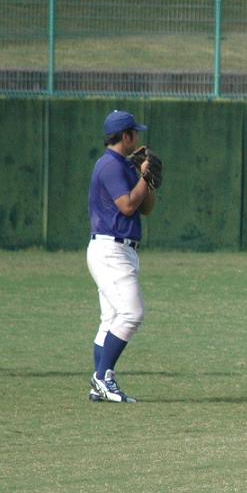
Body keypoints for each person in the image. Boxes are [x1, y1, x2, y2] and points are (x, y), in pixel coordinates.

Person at [86, 110, 157, 404]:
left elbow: (146, 207)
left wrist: (147, 179)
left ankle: (98, 386)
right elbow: (127, 206)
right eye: (135, 133)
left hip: (122, 250)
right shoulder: (110, 166)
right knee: (132, 313)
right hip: (110, 250)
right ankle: (103, 378)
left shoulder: (125, 165)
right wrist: (143, 176)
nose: (138, 138)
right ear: (126, 136)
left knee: (112, 318)